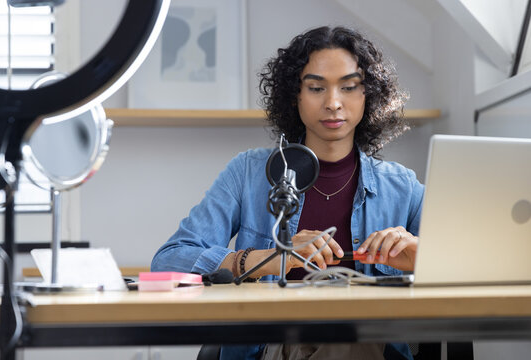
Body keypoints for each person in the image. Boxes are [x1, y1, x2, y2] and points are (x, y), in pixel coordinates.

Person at [152, 25, 424, 360]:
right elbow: (170, 259)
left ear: (368, 95)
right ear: (294, 95)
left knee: (346, 335)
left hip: (371, 344)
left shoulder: (402, 187)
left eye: (349, 87)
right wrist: (268, 259)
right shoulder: (248, 172)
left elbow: (473, 264)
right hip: (270, 347)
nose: (333, 103)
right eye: (315, 88)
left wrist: (423, 257)